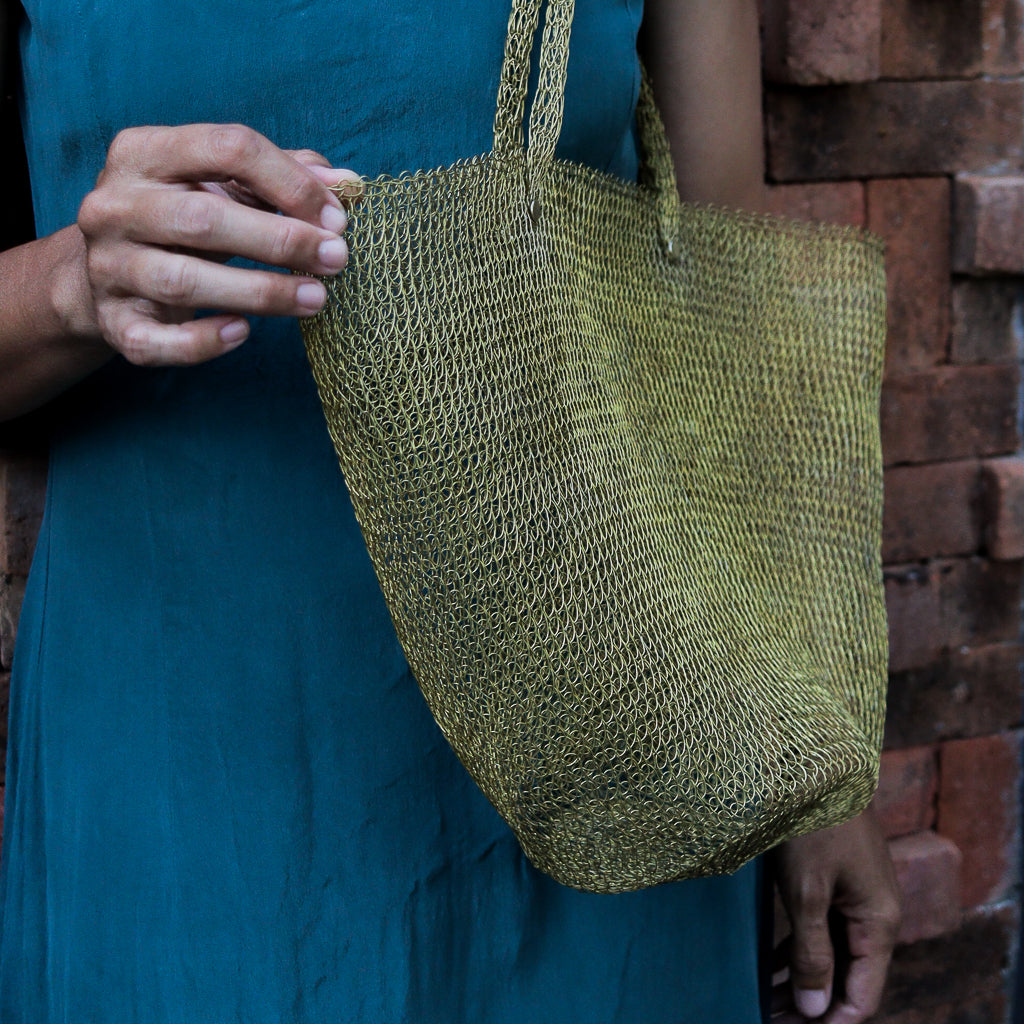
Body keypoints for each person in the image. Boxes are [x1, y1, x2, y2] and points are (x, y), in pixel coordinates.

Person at [0, 0, 900, 1020]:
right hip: (189, 741)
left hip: (608, 720)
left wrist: (813, 751)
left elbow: (721, 277)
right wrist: (75, 283)